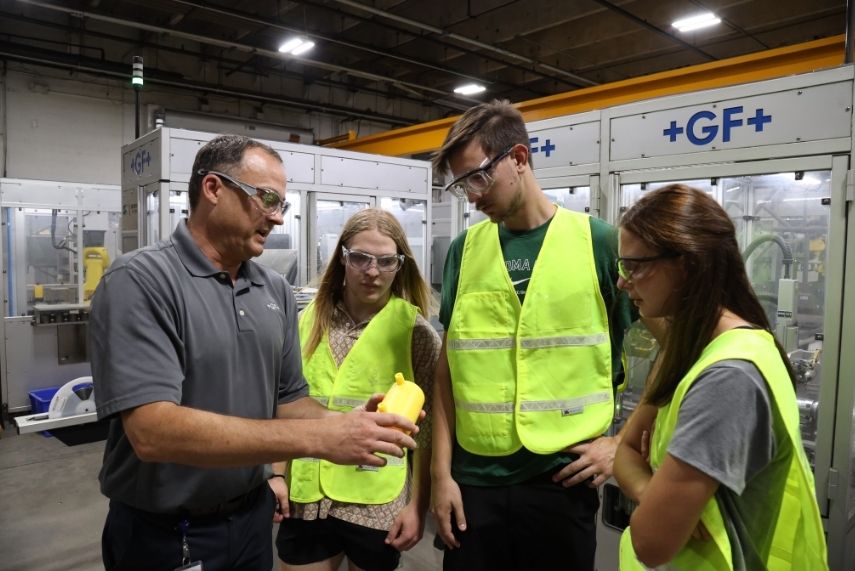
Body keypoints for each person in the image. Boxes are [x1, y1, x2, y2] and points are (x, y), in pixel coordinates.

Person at [90, 135, 420, 571]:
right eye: (266, 198)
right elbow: (153, 431)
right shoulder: (141, 281)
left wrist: (348, 425)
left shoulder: (273, 291)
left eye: (282, 203)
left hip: (251, 521)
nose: (278, 217)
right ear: (213, 189)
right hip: (166, 533)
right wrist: (321, 439)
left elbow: (288, 402)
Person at [429, 99, 635, 570]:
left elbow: (675, 347)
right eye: (461, 186)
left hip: (561, 482)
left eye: (477, 178)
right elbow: (448, 370)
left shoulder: (600, 242)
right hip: (474, 482)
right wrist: (442, 474)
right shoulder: (465, 250)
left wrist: (621, 443)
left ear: (518, 159)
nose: (472, 197)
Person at [613, 184, 827, 570]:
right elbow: (625, 452)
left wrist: (649, 493)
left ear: (687, 264)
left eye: (636, 266)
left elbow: (650, 542)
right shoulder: (691, 349)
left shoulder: (729, 378)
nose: (623, 283)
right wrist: (650, 490)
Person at [274, 208, 441, 571]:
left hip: (376, 499)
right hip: (309, 494)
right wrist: (276, 473)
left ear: (400, 266)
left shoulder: (416, 333)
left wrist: (416, 505)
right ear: (342, 258)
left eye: (385, 261)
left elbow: (426, 432)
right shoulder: (307, 322)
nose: (371, 271)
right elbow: (284, 405)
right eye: (361, 258)